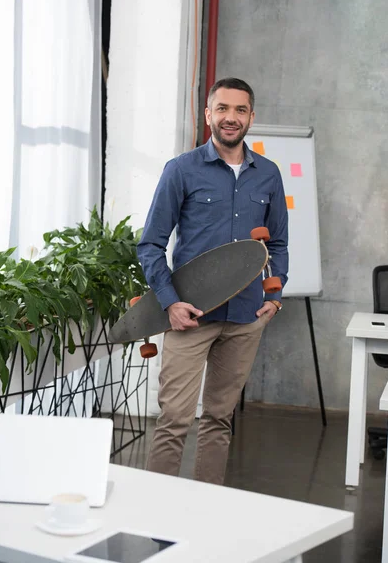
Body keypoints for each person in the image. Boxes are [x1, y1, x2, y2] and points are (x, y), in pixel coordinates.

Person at [137, 77, 288, 485]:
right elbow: (150, 244)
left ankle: (206, 517)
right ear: (208, 114)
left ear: (251, 117)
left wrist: (273, 299)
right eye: (222, 108)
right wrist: (170, 303)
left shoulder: (269, 175)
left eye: (240, 110)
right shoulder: (181, 170)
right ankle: (155, 518)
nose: (231, 117)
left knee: (219, 419)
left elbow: (278, 245)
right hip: (190, 315)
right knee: (173, 421)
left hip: (244, 317)